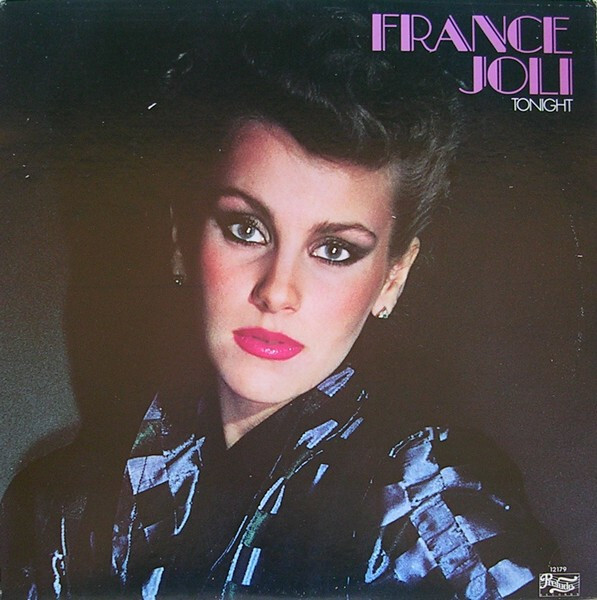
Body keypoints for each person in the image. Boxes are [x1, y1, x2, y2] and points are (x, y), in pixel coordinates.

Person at [1, 5, 555, 599]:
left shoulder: (434, 507)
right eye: (246, 229)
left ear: (393, 278)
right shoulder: (61, 506)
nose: (277, 291)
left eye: (335, 250)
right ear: (182, 240)